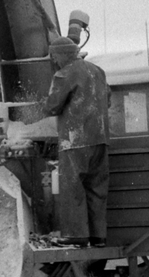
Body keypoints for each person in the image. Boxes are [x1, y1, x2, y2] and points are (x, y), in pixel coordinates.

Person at [42, 35, 110, 247]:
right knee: (96, 187)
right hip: (100, 138)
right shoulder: (98, 71)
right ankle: (98, 236)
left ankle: (75, 235)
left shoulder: (63, 74)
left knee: (72, 187)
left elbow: (52, 106)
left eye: (54, 57)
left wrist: (40, 103)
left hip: (75, 140)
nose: (54, 62)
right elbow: (107, 100)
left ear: (62, 55)